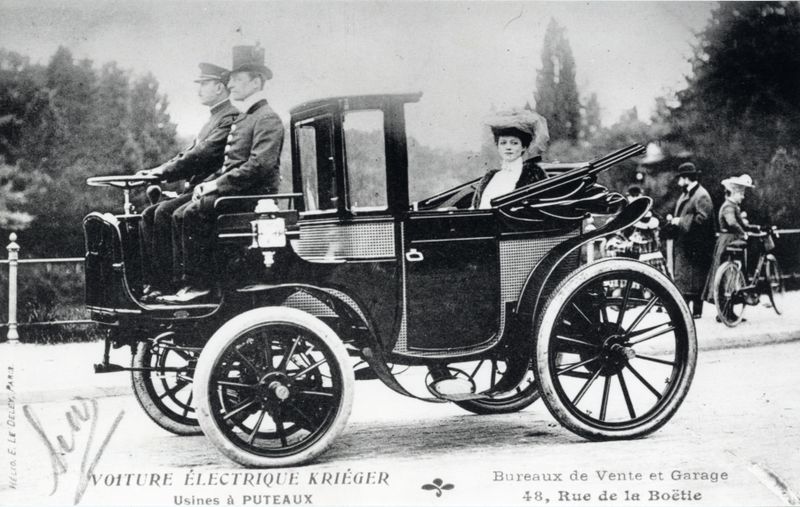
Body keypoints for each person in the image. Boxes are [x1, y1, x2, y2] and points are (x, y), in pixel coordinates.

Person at [160, 45, 284, 303]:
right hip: (238, 191)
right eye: (230, 80)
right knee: (179, 212)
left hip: (253, 197)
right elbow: (231, 164)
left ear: (256, 82)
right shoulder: (246, 117)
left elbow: (259, 166)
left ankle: (200, 286)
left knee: (191, 213)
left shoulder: (267, 118)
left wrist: (216, 185)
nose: (230, 85)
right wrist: (209, 184)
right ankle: (185, 283)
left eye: (237, 79)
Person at [137, 63, 239, 301]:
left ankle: (182, 283)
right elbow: (187, 154)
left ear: (220, 87)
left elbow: (202, 155)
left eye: (204, 84)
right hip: (198, 190)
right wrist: (157, 171)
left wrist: (161, 172)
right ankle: (157, 283)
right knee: (148, 214)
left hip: (212, 190)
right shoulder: (213, 119)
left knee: (164, 212)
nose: (199, 90)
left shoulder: (229, 117)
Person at [665, 162, 715, 318]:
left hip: (695, 245)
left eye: (681, 178)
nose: (679, 181)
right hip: (685, 243)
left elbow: (703, 219)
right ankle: (685, 312)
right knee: (685, 278)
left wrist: (680, 221)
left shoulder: (701, 195)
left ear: (686, 178)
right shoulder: (688, 194)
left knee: (695, 278)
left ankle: (695, 312)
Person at [472, 109, 550, 209]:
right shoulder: (489, 178)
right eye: (503, 143)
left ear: (523, 147)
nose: (508, 147)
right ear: (498, 146)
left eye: (514, 143)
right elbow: (476, 209)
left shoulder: (534, 175)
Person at [701, 174, 756, 304]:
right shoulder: (728, 206)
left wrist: (756, 228)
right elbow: (732, 223)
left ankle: (732, 303)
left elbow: (741, 224)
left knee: (733, 272)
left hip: (732, 240)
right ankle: (725, 305)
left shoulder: (733, 206)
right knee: (726, 275)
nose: (743, 197)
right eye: (741, 194)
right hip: (728, 241)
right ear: (734, 193)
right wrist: (743, 233)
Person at [622, 186, 670, 277]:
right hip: (656, 255)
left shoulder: (638, 212)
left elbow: (626, 234)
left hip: (641, 256)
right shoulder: (647, 211)